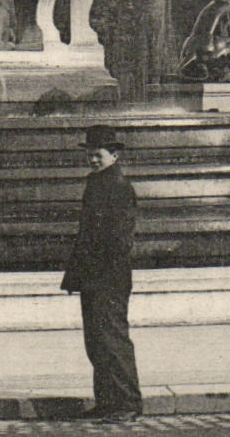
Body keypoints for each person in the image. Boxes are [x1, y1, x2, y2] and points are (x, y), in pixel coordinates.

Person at [61, 124, 142, 423]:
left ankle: (127, 403)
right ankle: (108, 402)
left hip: (108, 277)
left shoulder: (117, 186)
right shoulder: (99, 182)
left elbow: (120, 239)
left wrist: (98, 270)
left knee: (112, 341)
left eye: (98, 155)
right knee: (97, 342)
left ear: (115, 155)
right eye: (89, 155)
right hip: (95, 276)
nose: (92, 160)